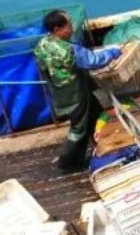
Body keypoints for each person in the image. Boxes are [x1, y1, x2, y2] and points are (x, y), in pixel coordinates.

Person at [32, 10, 121, 174]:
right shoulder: (69, 50)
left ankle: (104, 146)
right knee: (79, 129)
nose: (72, 29)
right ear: (57, 29)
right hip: (77, 95)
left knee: (98, 114)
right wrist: (111, 53)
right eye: (69, 25)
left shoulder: (42, 45)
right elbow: (93, 61)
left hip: (60, 93)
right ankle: (68, 162)